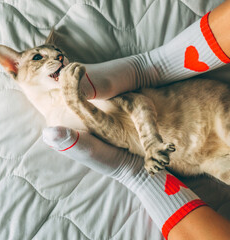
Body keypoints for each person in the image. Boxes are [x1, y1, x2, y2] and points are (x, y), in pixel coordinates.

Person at [42, 1, 230, 239]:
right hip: (204, 150)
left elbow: (139, 105)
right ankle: (150, 67)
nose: (58, 59)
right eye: (39, 57)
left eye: (59, 55)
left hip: (204, 116)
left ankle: (131, 171)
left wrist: (74, 100)